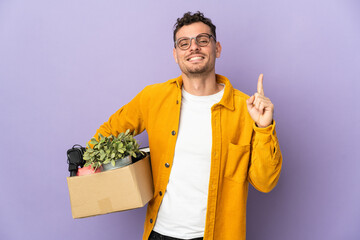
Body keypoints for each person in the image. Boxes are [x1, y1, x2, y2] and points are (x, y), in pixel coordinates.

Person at [91, 11, 282, 240]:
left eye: (202, 40)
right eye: (184, 43)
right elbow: (104, 136)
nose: (193, 48)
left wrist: (263, 127)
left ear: (217, 48)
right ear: (175, 54)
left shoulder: (245, 108)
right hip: (160, 234)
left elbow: (265, 182)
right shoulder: (153, 98)